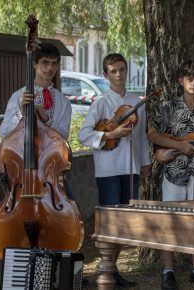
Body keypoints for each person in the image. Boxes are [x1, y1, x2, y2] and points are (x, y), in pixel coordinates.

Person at [77, 53, 151, 287]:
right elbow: (83, 134)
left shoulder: (136, 102)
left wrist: (145, 162)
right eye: (113, 71)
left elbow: (141, 139)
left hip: (131, 170)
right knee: (110, 224)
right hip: (108, 171)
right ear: (105, 75)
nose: (119, 75)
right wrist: (110, 135)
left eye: (122, 69)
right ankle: (106, 271)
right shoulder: (101, 102)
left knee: (124, 224)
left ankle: (112, 269)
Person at [147, 59, 194, 290]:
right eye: (189, 79)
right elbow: (152, 134)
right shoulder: (170, 107)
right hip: (174, 173)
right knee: (171, 221)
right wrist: (180, 147)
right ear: (181, 81)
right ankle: (168, 271)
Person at [0, 42, 76, 200]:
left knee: (73, 212)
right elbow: (4, 133)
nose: (50, 68)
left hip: (51, 169)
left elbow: (63, 137)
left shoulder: (63, 101)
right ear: (34, 64)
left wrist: (44, 117)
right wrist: (21, 114)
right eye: (45, 62)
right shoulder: (18, 96)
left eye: (54, 63)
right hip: (22, 168)